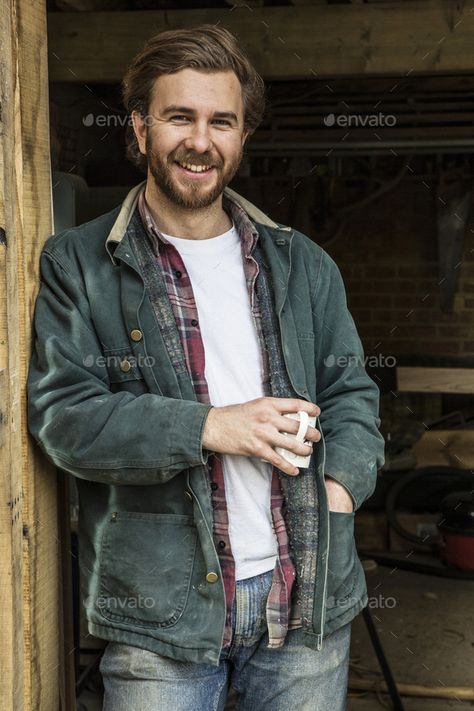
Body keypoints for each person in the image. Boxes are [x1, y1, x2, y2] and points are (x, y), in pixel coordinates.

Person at [27, 25, 384, 711]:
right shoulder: (78, 263)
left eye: (221, 121)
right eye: (179, 117)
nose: (201, 140)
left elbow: (353, 395)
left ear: (242, 134)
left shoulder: (301, 263)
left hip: (304, 604)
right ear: (139, 127)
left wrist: (339, 491)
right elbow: (65, 418)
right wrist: (212, 426)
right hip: (160, 621)